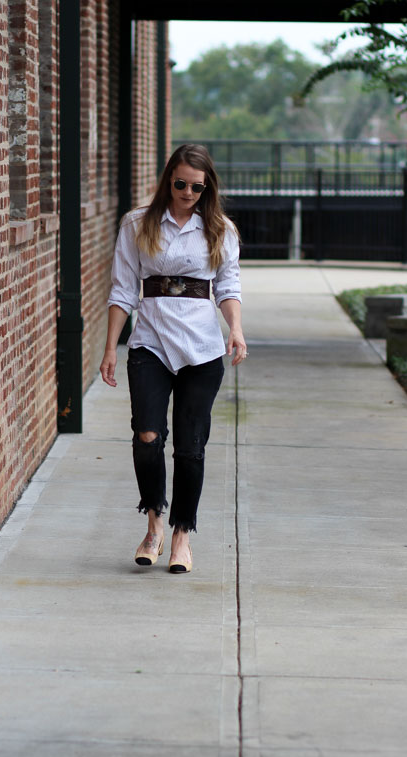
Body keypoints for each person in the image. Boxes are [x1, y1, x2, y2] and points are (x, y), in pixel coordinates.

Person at [99, 143, 247, 574]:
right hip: (150, 343)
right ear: (168, 180)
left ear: (207, 188)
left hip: (202, 349)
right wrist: (110, 347)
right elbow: (123, 289)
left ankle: (182, 535)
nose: (187, 193)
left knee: (190, 445)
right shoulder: (136, 223)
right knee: (147, 435)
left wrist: (235, 329)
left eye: (197, 187)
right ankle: (154, 525)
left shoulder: (220, 229)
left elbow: (228, 286)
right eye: (180, 184)